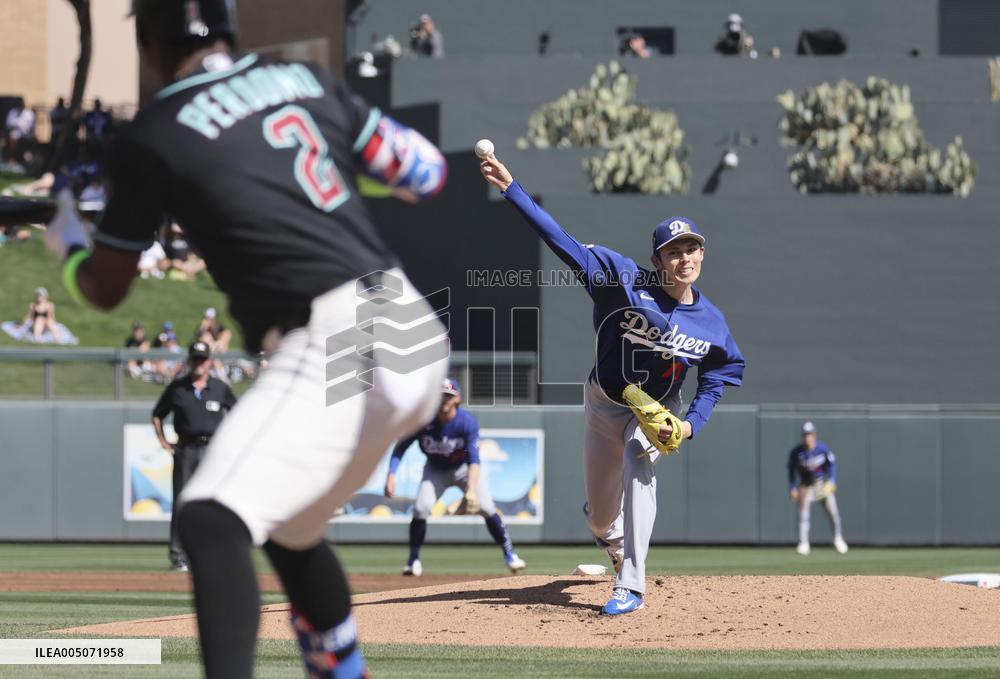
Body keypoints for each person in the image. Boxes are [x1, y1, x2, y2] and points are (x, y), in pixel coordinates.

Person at [42, 1, 448, 677]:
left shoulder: (156, 130)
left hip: (334, 332)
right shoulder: (306, 79)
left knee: (208, 515)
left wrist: (68, 247)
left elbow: (106, 288)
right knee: (290, 530)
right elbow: (426, 173)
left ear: (150, 40)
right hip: (405, 317)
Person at [479, 152, 745, 615]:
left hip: (658, 407)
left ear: (702, 253)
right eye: (674, 251)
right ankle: (613, 539)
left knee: (638, 455)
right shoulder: (621, 281)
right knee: (601, 518)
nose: (684, 258)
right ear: (657, 259)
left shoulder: (712, 324)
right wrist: (512, 189)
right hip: (604, 402)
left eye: (691, 248)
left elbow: (717, 376)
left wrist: (688, 425)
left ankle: (631, 585)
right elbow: (561, 241)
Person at [384, 378, 527, 577]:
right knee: (421, 508)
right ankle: (413, 560)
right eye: (441, 395)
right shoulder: (423, 420)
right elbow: (400, 447)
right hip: (435, 470)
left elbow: (474, 460)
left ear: (457, 398)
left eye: (448, 396)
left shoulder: (466, 422)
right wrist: (391, 474)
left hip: (463, 470)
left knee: (486, 507)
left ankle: (510, 554)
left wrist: (470, 489)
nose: (444, 399)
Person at [152, 341, 238, 571]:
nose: (198, 362)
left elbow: (238, 413)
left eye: (202, 358)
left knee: (215, 502)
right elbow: (158, 414)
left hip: (213, 451)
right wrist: (163, 440)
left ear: (209, 361)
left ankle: (214, 552)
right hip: (186, 450)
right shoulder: (178, 388)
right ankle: (178, 555)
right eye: (195, 358)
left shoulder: (219, 388)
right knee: (182, 502)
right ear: (189, 361)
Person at [787, 421, 848, 556]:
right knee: (803, 514)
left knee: (833, 513)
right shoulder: (797, 452)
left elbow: (832, 464)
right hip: (805, 485)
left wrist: (832, 480)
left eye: (810, 434)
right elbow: (791, 470)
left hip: (820, 484)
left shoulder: (822, 449)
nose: (808, 437)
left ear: (814, 435)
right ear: (802, 436)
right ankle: (803, 543)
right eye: (805, 435)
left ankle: (838, 538)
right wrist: (792, 487)